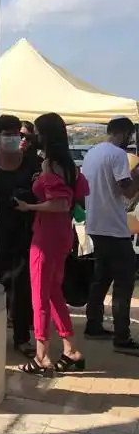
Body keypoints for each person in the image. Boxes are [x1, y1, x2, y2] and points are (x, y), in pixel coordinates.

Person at [14, 112, 89, 375]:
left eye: (35, 131)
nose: (32, 136)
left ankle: (41, 355)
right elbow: (77, 198)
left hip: (45, 236)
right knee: (54, 292)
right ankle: (70, 349)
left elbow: (60, 203)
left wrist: (29, 206)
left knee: (40, 296)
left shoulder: (49, 164)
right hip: (63, 235)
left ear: (44, 135)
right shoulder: (71, 166)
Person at [81, 116, 139, 354]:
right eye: (130, 135)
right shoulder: (117, 155)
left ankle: (93, 324)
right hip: (114, 227)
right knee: (124, 282)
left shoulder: (92, 153)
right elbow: (128, 191)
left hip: (95, 224)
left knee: (102, 277)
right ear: (124, 133)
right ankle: (122, 337)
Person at [0, 115, 40, 356]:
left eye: (18, 134)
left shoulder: (33, 164)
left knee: (23, 287)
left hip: (27, 233)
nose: (14, 138)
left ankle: (22, 338)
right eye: (8, 134)